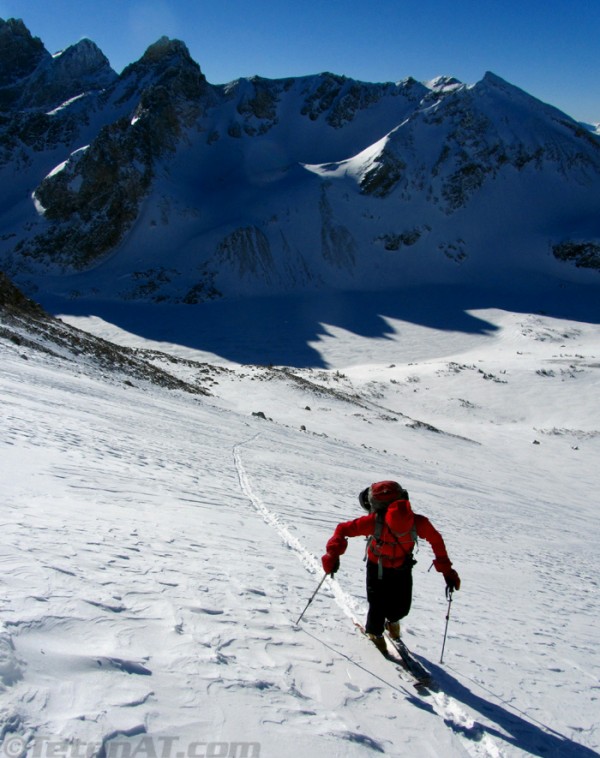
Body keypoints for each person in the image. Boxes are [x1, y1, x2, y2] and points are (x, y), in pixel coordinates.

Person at [321, 480, 460, 653]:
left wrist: (332, 554)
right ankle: (384, 628)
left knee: (386, 604)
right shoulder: (417, 522)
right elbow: (437, 542)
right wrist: (448, 572)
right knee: (392, 605)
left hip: (386, 565)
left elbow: (342, 529)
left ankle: (382, 629)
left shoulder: (374, 521)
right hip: (392, 566)